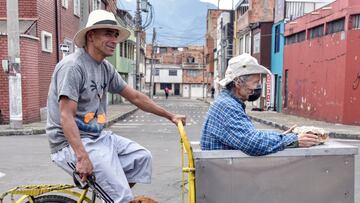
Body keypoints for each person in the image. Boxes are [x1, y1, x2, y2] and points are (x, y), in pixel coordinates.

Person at [46, 10, 185, 203]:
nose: (114, 39)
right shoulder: (73, 67)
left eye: (115, 35)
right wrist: (81, 157)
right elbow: (65, 116)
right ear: (91, 36)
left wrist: (170, 116)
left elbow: (135, 97)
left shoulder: (105, 68)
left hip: (98, 137)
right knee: (121, 196)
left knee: (141, 158)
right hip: (69, 144)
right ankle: (114, 197)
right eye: (108, 34)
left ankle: (108, 196)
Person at [200, 53, 319, 155]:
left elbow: (249, 135)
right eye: (255, 82)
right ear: (238, 83)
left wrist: (281, 136)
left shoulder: (228, 102)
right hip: (226, 173)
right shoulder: (227, 106)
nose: (256, 88)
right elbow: (253, 143)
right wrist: (293, 140)